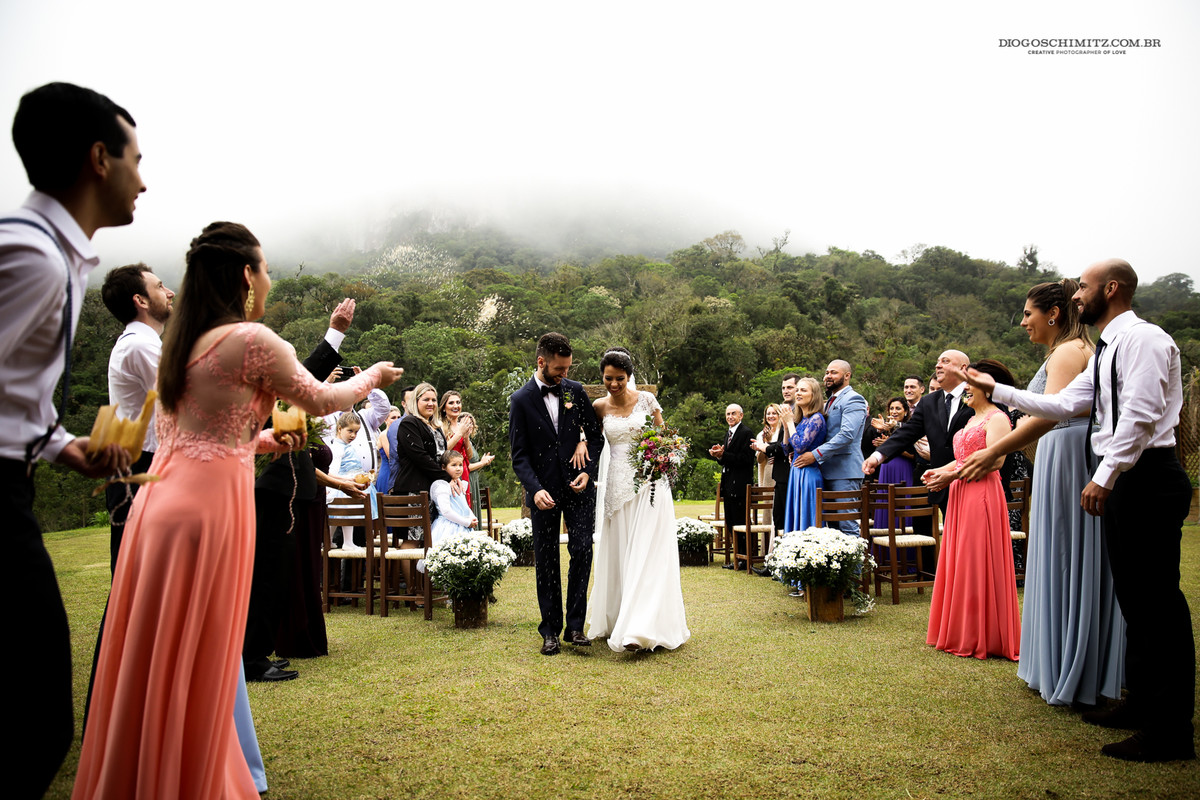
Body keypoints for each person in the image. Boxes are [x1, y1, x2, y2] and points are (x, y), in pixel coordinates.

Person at [73, 221, 402, 799]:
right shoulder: (250, 339)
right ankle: (188, 774)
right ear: (248, 276)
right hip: (208, 508)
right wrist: (373, 378)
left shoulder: (183, 342)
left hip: (161, 500)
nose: (269, 278)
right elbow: (321, 399)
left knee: (170, 641)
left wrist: (267, 442)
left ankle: (158, 763)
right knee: (205, 642)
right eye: (267, 269)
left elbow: (202, 433)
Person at [956, 259, 1193, 762]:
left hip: (1148, 476)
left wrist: (1103, 475)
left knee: (1159, 605)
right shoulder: (1105, 351)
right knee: (1133, 600)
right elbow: (1060, 407)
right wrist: (993, 387)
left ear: (1112, 288)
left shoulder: (1144, 340)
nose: (1077, 293)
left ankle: (1171, 729)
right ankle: (1140, 701)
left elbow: (1143, 414)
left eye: (1084, 286)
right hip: (1125, 478)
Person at [1, 82, 141, 799]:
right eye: (135, 160)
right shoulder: (28, 258)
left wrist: (62, 446)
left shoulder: (54, 258)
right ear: (98, 159)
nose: (143, 180)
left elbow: (10, 388)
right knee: (36, 713)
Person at [959, 279, 1125, 707]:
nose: (1022, 322)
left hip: (1068, 453)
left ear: (1053, 313)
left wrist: (994, 448)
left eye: (1028, 313)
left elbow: (1053, 414)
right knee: (1063, 553)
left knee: (1067, 555)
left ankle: (1072, 664)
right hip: (1061, 454)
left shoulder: (1070, 352)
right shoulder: (1070, 351)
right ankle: (1064, 658)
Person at [244, 299, 356, 684]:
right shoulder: (265, 391)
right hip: (272, 491)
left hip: (290, 494)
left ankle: (259, 651)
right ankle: (252, 656)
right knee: (265, 576)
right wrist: (335, 331)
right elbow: (305, 380)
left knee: (276, 575)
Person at [584, 348, 690, 652]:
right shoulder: (599, 406)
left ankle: (641, 627)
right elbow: (590, 438)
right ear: (602, 376)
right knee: (620, 550)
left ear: (629, 376)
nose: (614, 384)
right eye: (608, 378)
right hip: (617, 484)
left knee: (647, 551)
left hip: (649, 484)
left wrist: (666, 457)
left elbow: (666, 438)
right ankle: (617, 618)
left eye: (620, 378)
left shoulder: (647, 400)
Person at [509, 332, 604, 655]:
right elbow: (519, 456)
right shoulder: (520, 400)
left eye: (567, 369)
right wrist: (534, 490)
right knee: (546, 560)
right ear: (541, 362)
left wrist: (586, 471)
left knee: (582, 551)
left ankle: (575, 627)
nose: (564, 374)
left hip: (578, 490)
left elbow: (595, 437)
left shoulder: (575, 392)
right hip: (543, 493)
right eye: (560, 369)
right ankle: (549, 630)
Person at [919, 360, 1020, 661]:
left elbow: (996, 461)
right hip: (961, 492)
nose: (966, 390)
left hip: (982, 493)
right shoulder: (969, 421)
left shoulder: (998, 418)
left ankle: (982, 634)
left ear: (989, 388)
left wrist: (952, 475)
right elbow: (962, 457)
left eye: (971, 384)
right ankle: (957, 630)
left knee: (977, 559)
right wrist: (939, 472)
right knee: (959, 559)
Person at [865, 350, 974, 518]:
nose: (938, 365)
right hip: (939, 482)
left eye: (945, 361)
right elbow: (908, 432)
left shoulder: (978, 394)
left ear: (963, 368)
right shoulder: (929, 401)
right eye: (937, 361)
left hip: (973, 479)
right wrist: (877, 456)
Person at [390, 382, 449, 602]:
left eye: (434, 399)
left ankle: (427, 586)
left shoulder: (436, 426)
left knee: (430, 539)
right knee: (412, 539)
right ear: (416, 402)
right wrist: (446, 477)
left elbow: (442, 457)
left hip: (434, 491)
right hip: (414, 490)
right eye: (426, 399)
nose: (431, 403)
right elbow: (420, 457)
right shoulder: (409, 423)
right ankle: (412, 589)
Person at [799, 360, 867, 536]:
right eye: (827, 372)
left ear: (847, 376)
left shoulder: (854, 399)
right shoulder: (829, 401)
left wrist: (815, 454)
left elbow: (847, 435)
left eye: (834, 372)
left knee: (847, 526)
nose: (828, 376)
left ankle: (856, 565)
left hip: (845, 472)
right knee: (832, 530)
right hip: (826, 471)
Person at [710, 403, 754, 570]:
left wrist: (724, 455)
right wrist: (719, 456)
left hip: (741, 485)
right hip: (728, 484)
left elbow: (746, 459)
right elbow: (727, 459)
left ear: (741, 415)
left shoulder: (745, 432)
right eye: (728, 414)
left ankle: (744, 557)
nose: (730, 417)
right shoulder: (728, 433)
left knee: (740, 521)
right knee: (730, 522)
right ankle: (737, 556)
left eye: (733, 414)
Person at [440, 390, 495, 519]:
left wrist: (465, 438)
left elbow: (469, 456)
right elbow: (442, 450)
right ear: (443, 408)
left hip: (464, 472)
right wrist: (459, 433)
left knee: (466, 509)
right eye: (451, 403)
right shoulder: (441, 427)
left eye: (458, 402)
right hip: (449, 472)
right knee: (455, 509)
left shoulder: (461, 425)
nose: (456, 406)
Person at [422, 450, 479, 573]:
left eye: (460, 465)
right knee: (449, 559)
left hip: (463, 525)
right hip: (447, 527)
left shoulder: (460, 483)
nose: (458, 469)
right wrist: (465, 522)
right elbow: (446, 511)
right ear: (443, 467)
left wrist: (472, 517)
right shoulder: (441, 486)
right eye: (453, 465)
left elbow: (464, 505)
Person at [782, 377, 826, 534]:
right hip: (796, 473)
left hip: (808, 474)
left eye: (803, 390)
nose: (798, 393)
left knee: (808, 518)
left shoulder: (816, 418)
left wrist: (789, 423)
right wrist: (786, 427)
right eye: (798, 390)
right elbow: (787, 449)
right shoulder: (802, 421)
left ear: (813, 395)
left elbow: (800, 446)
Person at [869, 397, 916, 530]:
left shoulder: (911, 428)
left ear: (906, 411)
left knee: (902, 504)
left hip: (903, 469)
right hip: (886, 470)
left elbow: (913, 454)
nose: (894, 411)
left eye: (898, 408)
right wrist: (881, 434)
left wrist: (890, 446)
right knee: (885, 504)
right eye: (891, 408)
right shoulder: (886, 429)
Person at [753, 404, 785, 488]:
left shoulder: (783, 433)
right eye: (768, 414)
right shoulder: (761, 435)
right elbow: (760, 460)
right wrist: (765, 442)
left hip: (782, 473)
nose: (771, 416)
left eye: (774, 413)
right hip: (767, 474)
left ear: (779, 415)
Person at [374, 404, 402, 494]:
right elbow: (391, 456)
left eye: (399, 417)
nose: (396, 420)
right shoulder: (384, 434)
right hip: (388, 474)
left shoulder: (401, 434)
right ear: (385, 420)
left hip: (399, 473)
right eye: (393, 417)